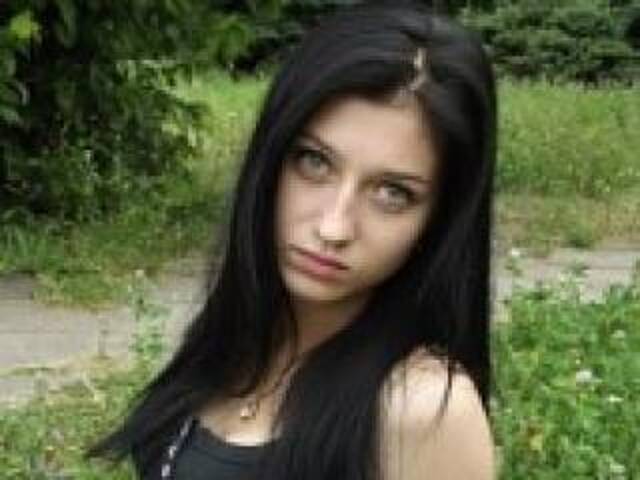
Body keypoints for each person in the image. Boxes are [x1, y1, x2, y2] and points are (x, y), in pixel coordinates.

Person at [90, 2, 498, 479]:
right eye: (314, 162)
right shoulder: (235, 343)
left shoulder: (422, 409)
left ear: (440, 219)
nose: (333, 228)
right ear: (271, 155)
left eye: (392, 193)